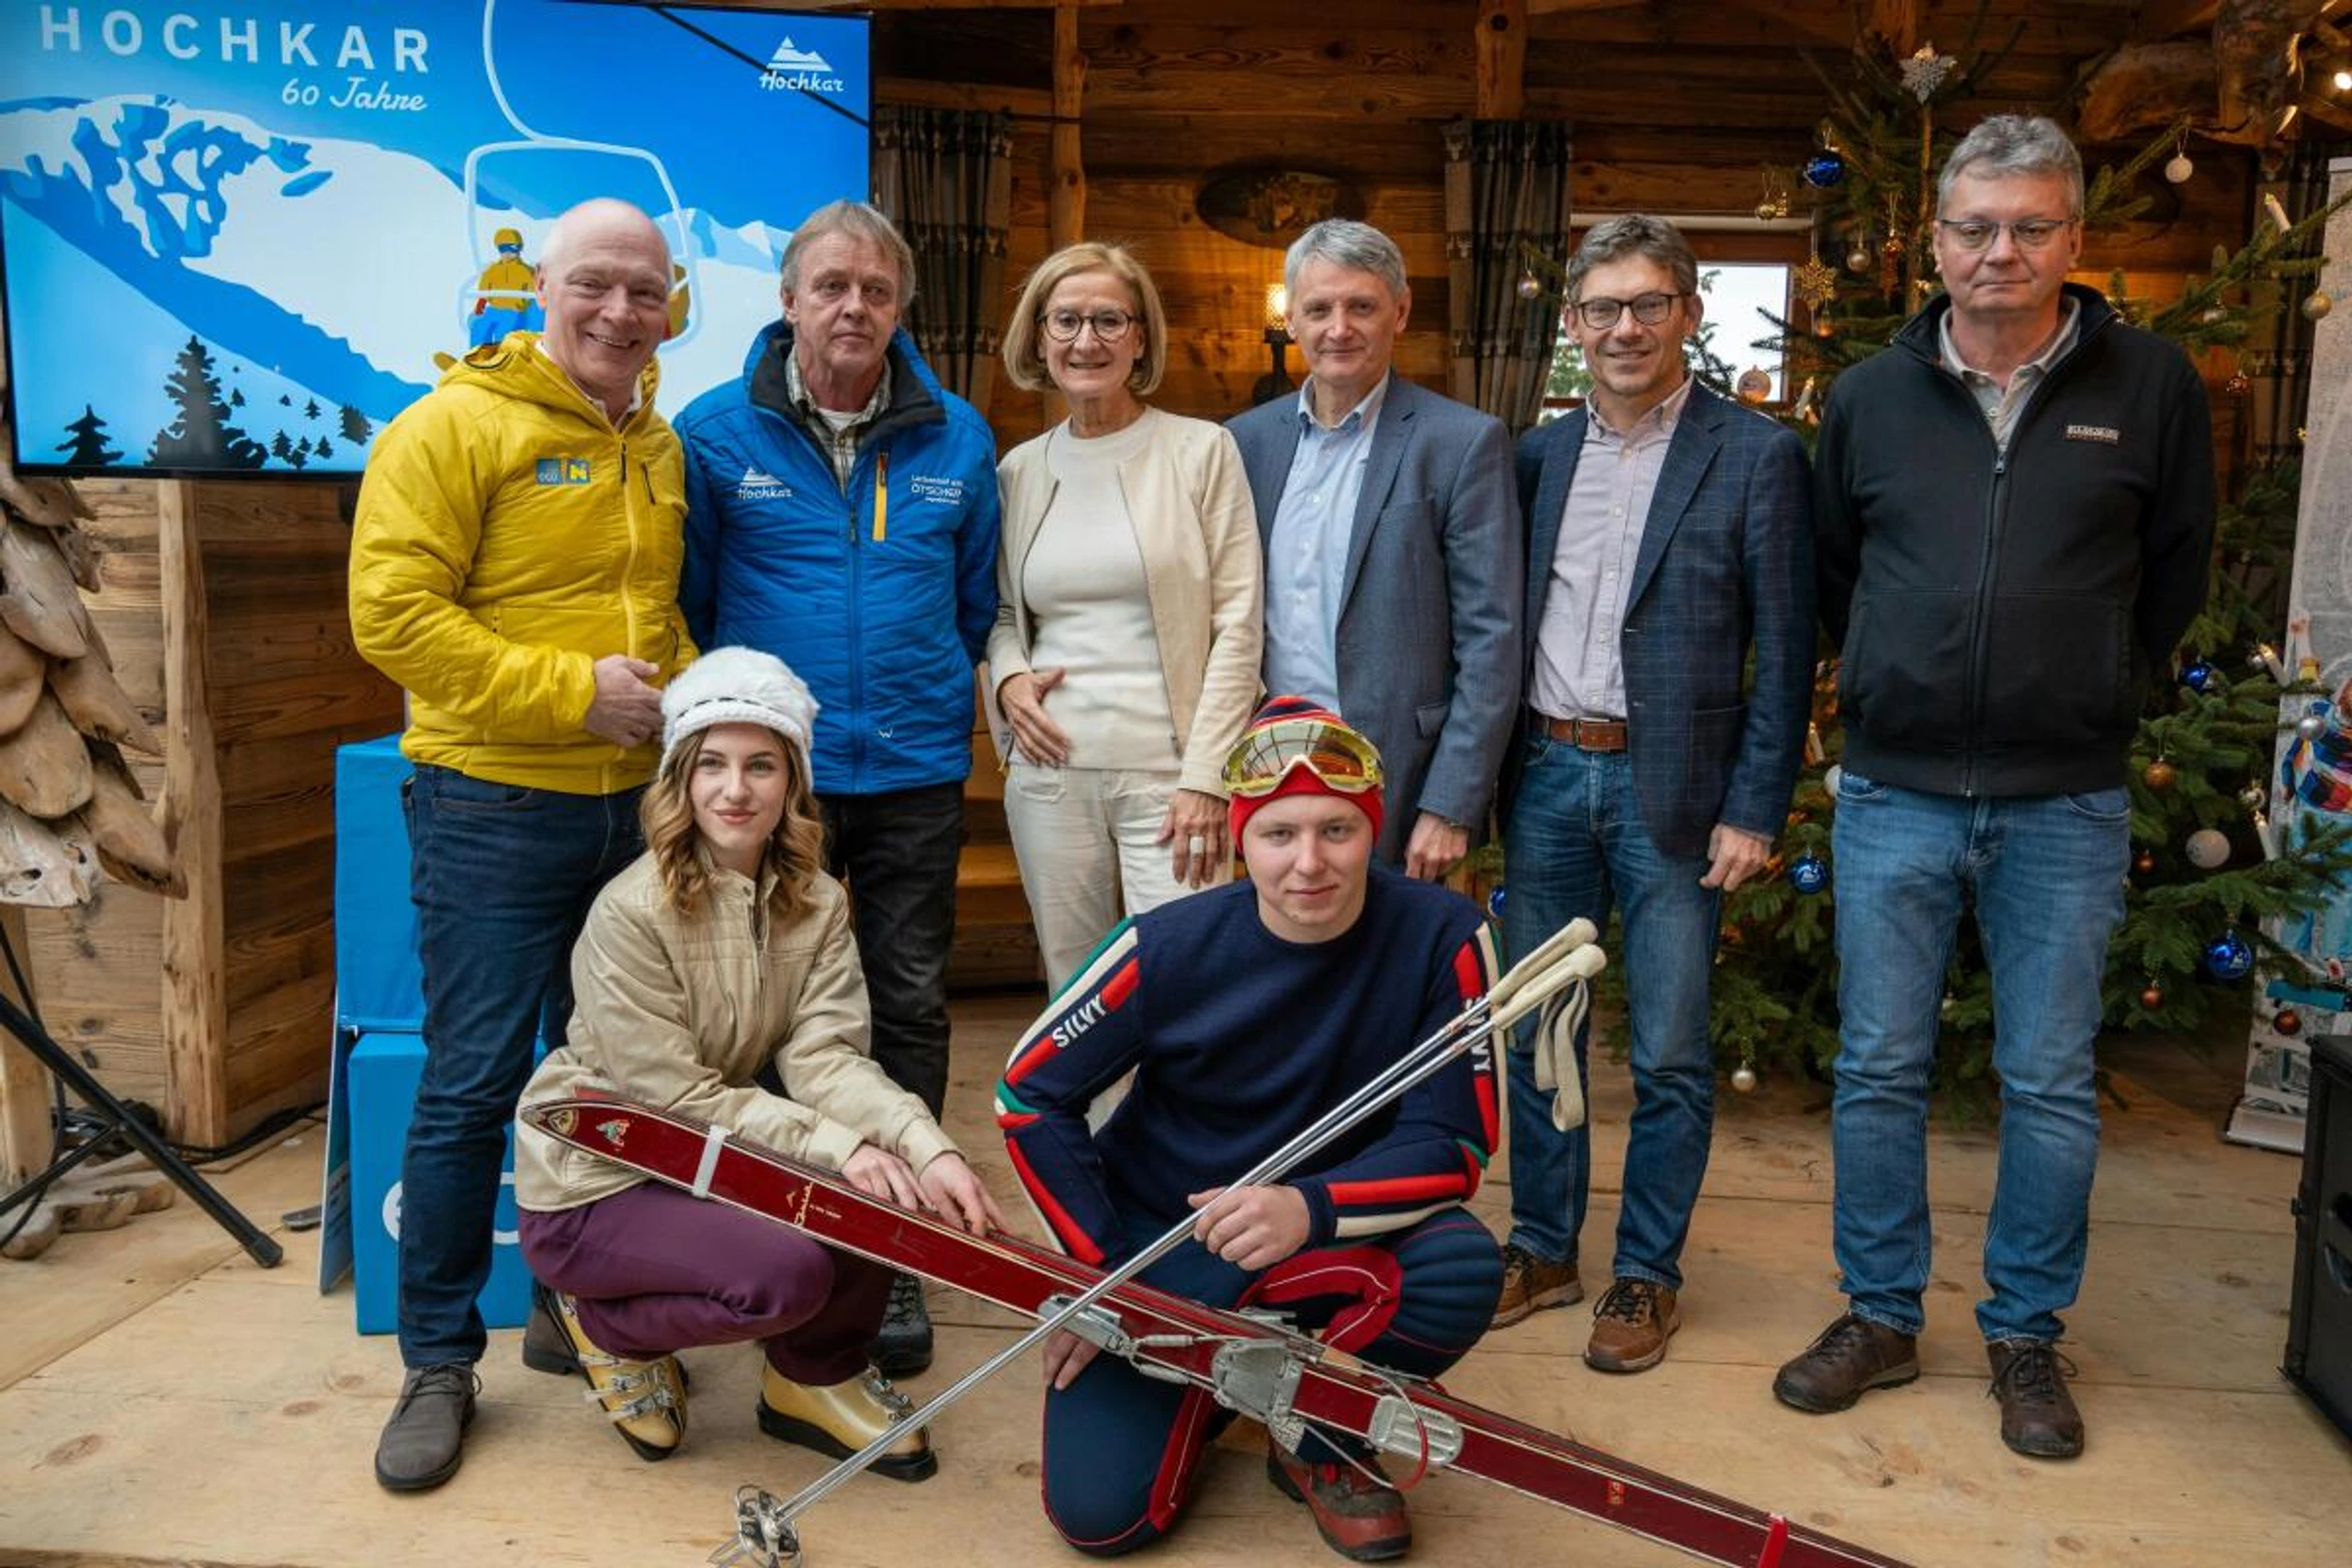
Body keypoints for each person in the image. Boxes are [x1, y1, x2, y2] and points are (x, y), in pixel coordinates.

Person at [1778, 115, 2215, 1459]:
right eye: (1975, 226)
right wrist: (1903, 675)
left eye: (2031, 226)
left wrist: (2088, 683)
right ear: (1937, 239)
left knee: (2046, 1076)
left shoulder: (2151, 384)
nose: (2000, 251)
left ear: (2075, 240)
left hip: (2065, 798)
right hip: (1897, 788)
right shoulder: (1867, 394)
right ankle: (1883, 1311)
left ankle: (2025, 1329)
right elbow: (1839, 571)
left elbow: (2177, 570)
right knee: (1879, 1065)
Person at [349, 197, 697, 1492]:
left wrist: (717, 701)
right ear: (539, 288)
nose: (619, 312)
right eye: (594, 286)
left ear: (673, 307)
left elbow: (654, 624)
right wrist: (571, 693)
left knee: (605, 1079)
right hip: (491, 800)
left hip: (630, 810)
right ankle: (439, 1356)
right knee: (474, 1077)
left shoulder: (655, 441)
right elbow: (391, 615)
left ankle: (577, 1302)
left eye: (645, 292)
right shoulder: (451, 425)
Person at [998, 698, 1503, 1563]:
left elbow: (1454, 1141)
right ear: (1243, 838)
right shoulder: (1164, 945)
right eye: (1279, 833)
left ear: (1370, 828)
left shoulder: (1444, 936)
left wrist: (1309, 1207)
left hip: (1316, 1244)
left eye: (1337, 829)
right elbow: (1026, 1093)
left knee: (1457, 1266)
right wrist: (1099, 1280)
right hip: (1166, 1253)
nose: (1310, 862)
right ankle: (1216, 1381)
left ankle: (1313, 1428)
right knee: (1102, 1518)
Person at [511, 647, 1003, 1472]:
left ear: (793, 781)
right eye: (712, 764)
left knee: (886, 1194)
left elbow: (827, 1059)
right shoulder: (630, 912)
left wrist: (927, 1146)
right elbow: (672, 1096)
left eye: (761, 765)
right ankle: (599, 1323)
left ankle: (812, 1375)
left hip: (705, 1156)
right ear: (681, 778)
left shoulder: (813, 901)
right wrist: (837, 1145)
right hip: (599, 1176)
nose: (735, 789)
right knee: (785, 1271)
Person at [676, 199, 1001, 1377]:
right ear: (788, 299)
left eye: (874, 288)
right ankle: (790, 1229)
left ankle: (894, 1248)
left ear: (899, 305)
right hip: (780, 782)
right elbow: (697, 606)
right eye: (830, 286)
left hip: (915, 766)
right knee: (763, 1012)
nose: (852, 307)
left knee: (905, 1005)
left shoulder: (958, 437)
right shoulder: (713, 433)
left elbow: (974, 605)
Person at [1496, 216, 1814, 1371]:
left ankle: (1644, 1274)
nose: (1623, 328)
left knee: (1672, 1048)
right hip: (1542, 774)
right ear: (1572, 325)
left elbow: (1782, 653)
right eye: (1601, 309)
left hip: (1674, 790)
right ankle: (1540, 1245)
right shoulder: (1531, 459)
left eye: (1647, 304)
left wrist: (1756, 807)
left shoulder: (1756, 455)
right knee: (1535, 1029)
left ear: (1688, 312)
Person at [989, 241, 1264, 987]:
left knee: (1189, 984)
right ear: (1039, 337)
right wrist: (1010, 681)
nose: (1088, 341)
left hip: (1173, 780)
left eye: (1110, 320)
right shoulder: (1019, 469)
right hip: (1050, 777)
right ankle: (1094, 1114)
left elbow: (1239, 623)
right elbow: (1004, 611)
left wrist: (1208, 775)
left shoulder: (1202, 451)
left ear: (1141, 338)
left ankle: (1179, 1116)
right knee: (1075, 994)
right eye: (1067, 320)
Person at [1227, 219, 1523, 879]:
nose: (1339, 327)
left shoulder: (1461, 442)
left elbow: (1492, 639)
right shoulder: (1243, 443)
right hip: (1266, 763)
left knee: (1391, 972)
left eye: (1361, 305)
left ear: (1401, 310)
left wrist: (1451, 802)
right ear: (1293, 320)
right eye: (1319, 308)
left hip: (1397, 771)